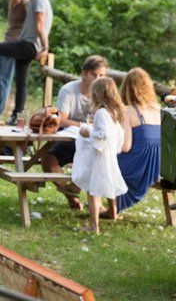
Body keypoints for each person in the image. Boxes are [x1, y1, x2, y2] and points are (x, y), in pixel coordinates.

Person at [42, 55, 110, 210]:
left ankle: (97, 204)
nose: (97, 79)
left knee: (97, 160)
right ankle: (72, 196)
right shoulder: (69, 90)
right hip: (71, 137)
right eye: (94, 75)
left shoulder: (106, 93)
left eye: (101, 76)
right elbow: (61, 120)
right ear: (84, 74)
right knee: (48, 160)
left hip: (94, 141)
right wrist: (83, 126)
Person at [72, 77, 130, 235]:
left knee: (93, 192)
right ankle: (112, 213)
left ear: (97, 94)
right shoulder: (114, 112)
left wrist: (88, 132)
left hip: (100, 157)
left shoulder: (101, 113)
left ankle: (94, 226)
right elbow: (117, 134)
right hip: (108, 155)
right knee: (103, 186)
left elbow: (103, 134)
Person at [117, 67, 163, 213]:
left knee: (101, 160)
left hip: (137, 167)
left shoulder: (128, 111)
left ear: (126, 88)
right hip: (156, 167)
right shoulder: (158, 109)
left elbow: (125, 146)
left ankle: (104, 207)